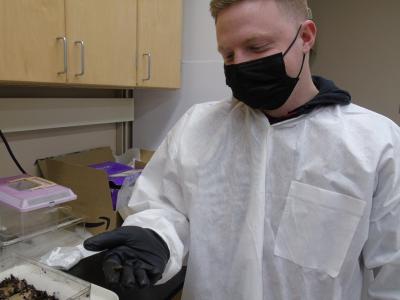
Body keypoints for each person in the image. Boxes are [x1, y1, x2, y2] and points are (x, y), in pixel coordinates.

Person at [84, 0, 400, 299]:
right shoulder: (198, 126)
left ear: (305, 37)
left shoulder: (375, 143)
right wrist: (156, 235)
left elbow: (391, 273)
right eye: (229, 55)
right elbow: (165, 208)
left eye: (256, 47)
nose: (240, 65)